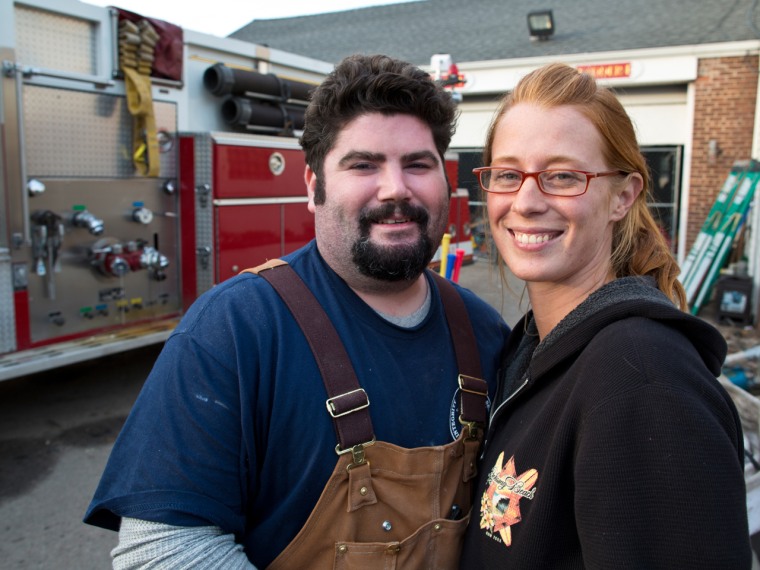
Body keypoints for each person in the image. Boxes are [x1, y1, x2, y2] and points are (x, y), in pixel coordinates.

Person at [84, 54, 510, 569]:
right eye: (363, 164)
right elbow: (163, 550)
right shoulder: (234, 330)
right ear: (313, 186)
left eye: (417, 164)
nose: (396, 188)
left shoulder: (485, 331)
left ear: (443, 180)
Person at [459, 63, 752, 569]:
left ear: (623, 196)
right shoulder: (531, 350)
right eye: (508, 174)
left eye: (563, 177)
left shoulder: (642, 376)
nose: (526, 201)